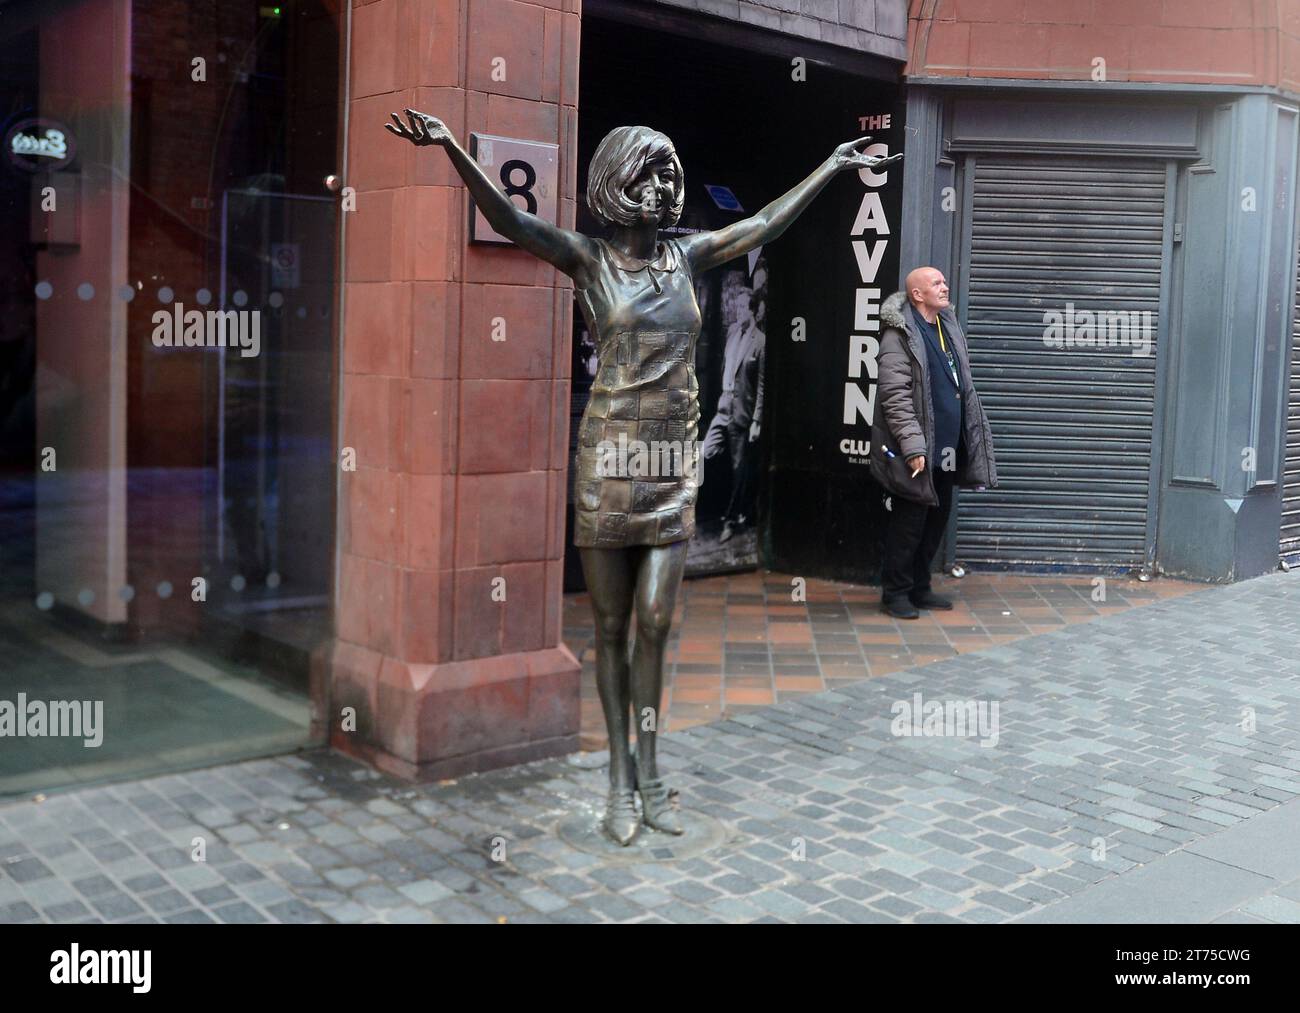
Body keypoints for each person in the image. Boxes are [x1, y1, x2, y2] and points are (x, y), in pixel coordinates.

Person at [387, 108, 900, 844]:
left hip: (669, 464)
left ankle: (652, 769)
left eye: (671, 172)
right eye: (650, 172)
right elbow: (507, 216)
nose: (665, 185)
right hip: (608, 462)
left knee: (657, 621)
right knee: (610, 625)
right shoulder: (586, 259)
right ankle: (619, 780)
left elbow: (763, 224)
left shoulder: (686, 257)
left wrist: (829, 164)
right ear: (617, 182)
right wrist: (452, 152)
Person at [869, 267, 997, 619]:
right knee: (909, 524)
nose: (945, 287)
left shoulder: (946, 326)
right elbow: (894, 397)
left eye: (943, 281)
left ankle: (920, 587)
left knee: (935, 521)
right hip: (918, 451)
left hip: (947, 448)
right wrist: (912, 447)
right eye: (936, 283)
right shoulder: (899, 335)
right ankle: (895, 594)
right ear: (917, 295)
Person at [703, 288, 764, 542]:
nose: (738, 312)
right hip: (723, 406)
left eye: (742, 308)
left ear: (752, 311)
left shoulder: (761, 342)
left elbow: (762, 385)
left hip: (742, 413)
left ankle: (731, 518)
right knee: (706, 451)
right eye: (736, 308)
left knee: (739, 469)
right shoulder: (731, 334)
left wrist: (756, 420)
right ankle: (709, 509)